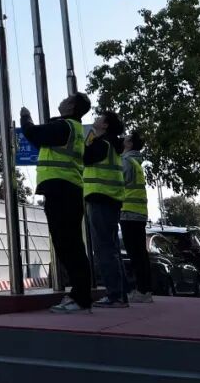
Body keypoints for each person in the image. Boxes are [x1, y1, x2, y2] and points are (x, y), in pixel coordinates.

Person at [20, 94, 93, 314]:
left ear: (71, 106)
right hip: (66, 189)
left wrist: (25, 118)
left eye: (67, 99)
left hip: (62, 189)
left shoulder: (65, 127)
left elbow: (34, 134)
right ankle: (80, 295)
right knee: (70, 245)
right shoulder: (72, 128)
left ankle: (80, 297)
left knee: (67, 245)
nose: (62, 100)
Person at [84, 109, 128, 308]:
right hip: (111, 198)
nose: (96, 119)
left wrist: (90, 138)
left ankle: (114, 295)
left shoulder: (102, 144)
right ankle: (120, 295)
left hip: (101, 197)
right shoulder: (113, 145)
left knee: (104, 249)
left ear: (105, 125)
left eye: (100, 118)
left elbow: (85, 157)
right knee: (112, 248)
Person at [120, 131, 152, 303]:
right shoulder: (136, 162)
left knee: (135, 253)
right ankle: (145, 290)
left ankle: (141, 290)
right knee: (140, 253)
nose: (122, 139)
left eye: (126, 138)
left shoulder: (126, 161)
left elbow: (120, 182)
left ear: (130, 144)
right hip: (139, 212)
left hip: (128, 212)